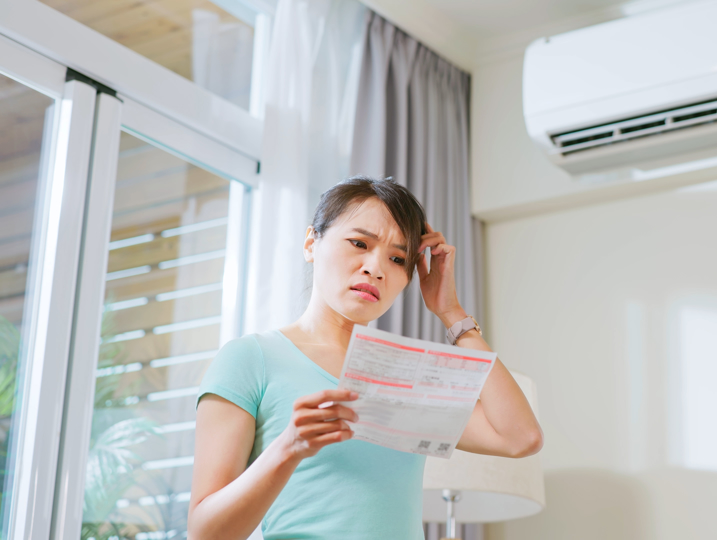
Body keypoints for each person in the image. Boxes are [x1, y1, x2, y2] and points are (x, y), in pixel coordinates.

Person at [187, 177, 543, 540]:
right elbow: (204, 533)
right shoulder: (251, 359)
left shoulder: (405, 374)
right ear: (311, 243)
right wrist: (288, 447)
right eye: (359, 243)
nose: (376, 268)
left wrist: (451, 312)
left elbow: (521, 437)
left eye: (397, 259)